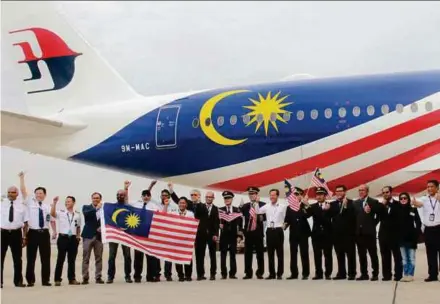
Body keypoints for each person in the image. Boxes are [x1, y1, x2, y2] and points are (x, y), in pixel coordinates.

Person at [19, 171, 56, 287]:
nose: (39, 195)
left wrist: (54, 231)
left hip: (44, 233)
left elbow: (51, 220)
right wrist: (22, 178)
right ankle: (30, 280)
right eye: (37, 193)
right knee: (31, 258)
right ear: (35, 194)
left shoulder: (47, 207)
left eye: (41, 193)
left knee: (46, 258)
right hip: (33, 233)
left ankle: (45, 280)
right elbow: (23, 191)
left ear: (45, 195)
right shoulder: (30, 202)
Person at [169, 184, 209, 280]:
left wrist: (202, 231)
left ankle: (200, 274)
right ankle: (187, 275)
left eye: (195, 195)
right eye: (191, 195)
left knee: (200, 255)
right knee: (187, 254)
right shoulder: (189, 204)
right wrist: (171, 190)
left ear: (199, 196)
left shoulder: (203, 207)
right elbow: (177, 200)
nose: (193, 196)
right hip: (187, 235)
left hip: (200, 234)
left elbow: (205, 221)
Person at [129, 181, 159, 283]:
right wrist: (126, 188)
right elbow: (125, 202)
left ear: (150, 197)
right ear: (141, 196)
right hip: (138, 234)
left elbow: (160, 217)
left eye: (148, 195)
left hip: (149, 234)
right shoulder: (135, 204)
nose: (146, 197)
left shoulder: (154, 206)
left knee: (150, 256)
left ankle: (150, 276)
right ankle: (137, 276)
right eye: (144, 195)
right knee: (138, 257)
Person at [412, 179, 440, 282]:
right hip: (429, 229)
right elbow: (419, 204)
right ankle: (432, 275)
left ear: (437, 188)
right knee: (431, 253)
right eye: (428, 187)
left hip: (439, 227)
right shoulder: (424, 198)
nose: (429, 188)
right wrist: (415, 203)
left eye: (432, 186)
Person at [1, 186, 28, 288]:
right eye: (9, 192)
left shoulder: (22, 206)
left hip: (16, 234)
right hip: (2, 233)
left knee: (17, 259)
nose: (10, 194)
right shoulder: (1, 203)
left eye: (12, 192)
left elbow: (25, 223)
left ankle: (18, 281)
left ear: (17, 194)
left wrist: (24, 237)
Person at [257, 189, 288, 280]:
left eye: (273, 195)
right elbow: (257, 211)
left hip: (278, 230)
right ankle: (271, 274)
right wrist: (257, 202)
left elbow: (287, 217)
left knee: (279, 254)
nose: (272, 197)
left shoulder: (283, 206)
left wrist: (285, 225)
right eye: (270, 195)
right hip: (269, 231)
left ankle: (279, 273)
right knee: (270, 254)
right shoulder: (266, 206)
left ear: (277, 196)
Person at [51, 196, 81, 286]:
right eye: (66, 202)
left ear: (73, 203)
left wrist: (78, 236)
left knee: (72, 260)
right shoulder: (61, 212)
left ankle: (72, 279)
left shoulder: (77, 214)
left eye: (69, 201)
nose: (67, 203)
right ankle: (57, 279)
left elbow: (78, 226)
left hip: (73, 238)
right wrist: (54, 203)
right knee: (60, 259)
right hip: (63, 238)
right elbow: (52, 214)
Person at [328, 185, 356, 280]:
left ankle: (352, 273)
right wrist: (327, 209)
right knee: (339, 255)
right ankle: (341, 273)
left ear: (345, 192)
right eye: (337, 191)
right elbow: (329, 216)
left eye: (340, 191)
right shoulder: (332, 204)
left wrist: (346, 206)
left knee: (350, 255)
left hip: (349, 234)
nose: (338, 193)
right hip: (337, 234)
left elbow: (353, 217)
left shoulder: (352, 203)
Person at [305, 187, 333, 280]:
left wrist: (327, 210)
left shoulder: (330, 205)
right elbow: (306, 215)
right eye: (317, 195)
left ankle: (328, 273)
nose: (319, 196)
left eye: (321, 194)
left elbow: (330, 219)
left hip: (327, 233)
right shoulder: (313, 206)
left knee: (327, 254)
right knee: (317, 255)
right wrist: (305, 205)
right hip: (316, 234)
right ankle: (318, 273)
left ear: (325, 196)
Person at [284, 187, 311, 280]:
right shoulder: (289, 207)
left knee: (304, 253)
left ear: (301, 196)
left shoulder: (304, 205)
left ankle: (305, 273)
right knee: (293, 254)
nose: (296, 197)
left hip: (303, 233)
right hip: (293, 233)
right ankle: (294, 273)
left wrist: (306, 205)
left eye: (298, 195)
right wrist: (283, 226)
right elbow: (287, 219)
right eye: (295, 195)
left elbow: (308, 215)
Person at [353, 184, 380, 281]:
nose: (361, 192)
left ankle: (375, 274)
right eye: (359, 190)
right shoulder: (355, 203)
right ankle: (364, 274)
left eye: (363, 190)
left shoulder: (373, 202)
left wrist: (373, 224)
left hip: (369, 233)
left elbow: (379, 215)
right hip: (359, 234)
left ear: (367, 191)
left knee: (373, 254)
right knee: (361, 255)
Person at [107, 186, 133, 284]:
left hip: (126, 235)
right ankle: (110, 276)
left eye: (122, 195)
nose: (119, 196)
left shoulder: (129, 207)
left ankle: (128, 276)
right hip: (114, 235)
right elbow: (107, 218)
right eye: (118, 195)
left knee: (127, 256)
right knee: (111, 256)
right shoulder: (111, 207)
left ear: (125, 196)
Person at [377, 186, 402, 281]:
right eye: (383, 193)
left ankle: (398, 275)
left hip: (395, 234)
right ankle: (386, 275)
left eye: (387, 192)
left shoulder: (397, 204)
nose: (385, 194)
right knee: (385, 256)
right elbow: (377, 217)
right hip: (383, 234)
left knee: (397, 256)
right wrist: (381, 206)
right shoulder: (380, 205)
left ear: (391, 193)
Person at [241, 186, 266, 280]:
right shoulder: (245, 206)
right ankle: (248, 273)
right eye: (250, 194)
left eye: (253, 194)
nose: (251, 196)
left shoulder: (263, 205)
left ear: (257, 195)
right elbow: (242, 220)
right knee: (248, 254)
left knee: (260, 254)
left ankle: (260, 272)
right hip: (248, 233)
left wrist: (256, 206)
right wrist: (243, 232)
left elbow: (264, 219)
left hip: (258, 232)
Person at [397, 192, 422, 282]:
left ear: (408, 199)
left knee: (411, 257)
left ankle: (410, 275)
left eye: (405, 198)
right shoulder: (397, 210)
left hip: (411, 238)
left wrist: (416, 233)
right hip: (401, 238)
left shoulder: (413, 210)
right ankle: (405, 274)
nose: (403, 200)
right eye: (401, 198)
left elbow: (418, 222)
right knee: (404, 258)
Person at [81, 192, 104, 284]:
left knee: (99, 258)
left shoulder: (103, 209)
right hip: (88, 236)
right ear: (91, 199)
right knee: (86, 257)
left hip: (99, 237)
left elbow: (107, 219)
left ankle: (98, 277)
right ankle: (85, 277)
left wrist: (102, 227)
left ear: (100, 199)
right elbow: (87, 215)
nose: (96, 199)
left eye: (97, 198)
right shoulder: (86, 207)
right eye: (94, 198)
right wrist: (96, 208)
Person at [218, 191, 242, 280]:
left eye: (228, 198)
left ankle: (232, 273)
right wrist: (218, 225)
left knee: (233, 254)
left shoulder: (237, 210)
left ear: (232, 199)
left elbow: (240, 224)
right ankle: (223, 274)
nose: (227, 200)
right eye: (225, 198)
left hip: (233, 235)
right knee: (223, 254)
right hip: (224, 235)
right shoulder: (220, 210)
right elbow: (216, 222)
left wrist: (240, 236)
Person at [173, 197, 195, 282]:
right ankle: (180, 275)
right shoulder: (173, 213)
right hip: (177, 239)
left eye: (183, 203)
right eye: (180, 203)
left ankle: (188, 275)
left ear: (186, 204)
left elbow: (192, 225)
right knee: (177, 257)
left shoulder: (190, 214)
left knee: (188, 257)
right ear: (178, 204)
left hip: (187, 239)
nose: (182, 204)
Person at [205, 191, 220, 280]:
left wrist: (216, 234)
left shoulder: (216, 209)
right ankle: (200, 274)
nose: (208, 198)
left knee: (212, 255)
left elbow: (216, 223)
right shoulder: (201, 207)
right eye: (207, 197)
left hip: (212, 235)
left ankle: (212, 273)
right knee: (200, 255)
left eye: (210, 197)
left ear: (213, 198)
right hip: (202, 235)